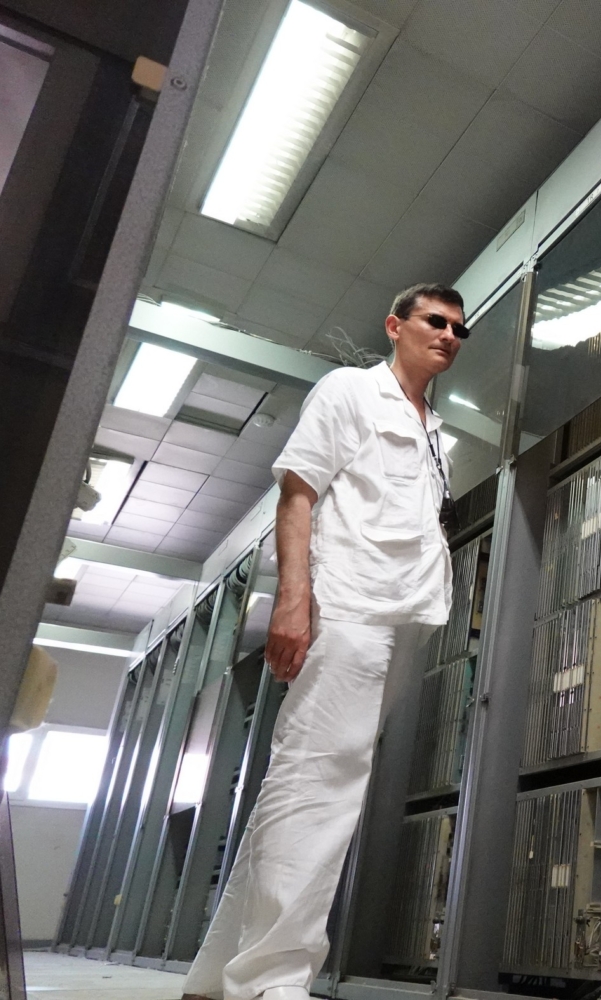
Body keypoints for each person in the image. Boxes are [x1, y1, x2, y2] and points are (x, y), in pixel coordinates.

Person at [182, 284, 469, 1000]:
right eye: (435, 321)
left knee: (312, 780)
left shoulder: (435, 431)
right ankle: (273, 980)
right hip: (349, 607)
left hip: (406, 615)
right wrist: (293, 600)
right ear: (394, 326)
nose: (449, 335)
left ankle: (221, 974)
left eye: (459, 329)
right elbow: (298, 493)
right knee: (319, 782)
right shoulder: (349, 392)